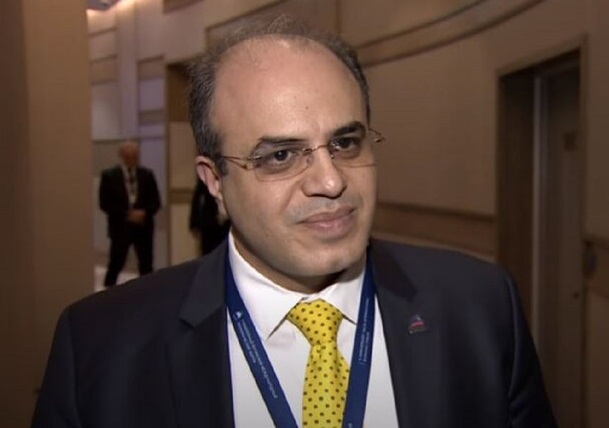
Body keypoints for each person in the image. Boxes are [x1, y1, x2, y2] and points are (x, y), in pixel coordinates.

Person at [32, 15, 556, 427]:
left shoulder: (481, 307)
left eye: (345, 143)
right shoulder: (102, 348)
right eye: (280, 156)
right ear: (214, 182)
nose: (330, 181)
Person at [98, 140, 161, 286]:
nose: (131, 160)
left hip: (143, 228)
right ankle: (109, 290)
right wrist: (127, 214)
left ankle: (148, 292)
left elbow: (156, 202)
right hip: (120, 227)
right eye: (128, 156)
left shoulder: (147, 175)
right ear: (121, 156)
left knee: (146, 264)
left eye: (134, 156)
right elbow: (105, 204)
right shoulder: (109, 176)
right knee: (116, 262)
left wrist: (144, 213)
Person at [189, 179, 230, 255]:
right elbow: (197, 199)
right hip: (209, 222)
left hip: (226, 223)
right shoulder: (204, 181)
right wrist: (194, 223)